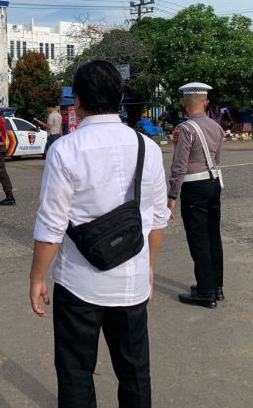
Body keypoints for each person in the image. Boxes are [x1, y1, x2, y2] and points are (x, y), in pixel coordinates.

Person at [30, 60, 169, 407]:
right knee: (135, 372)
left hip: (80, 284)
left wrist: (37, 277)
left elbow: (51, 226)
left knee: (77, 372)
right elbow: (156, 217)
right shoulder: (147, 147)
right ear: (120, 97)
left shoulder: (65, 149)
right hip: (132, 283)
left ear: (76, 100)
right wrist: (148, 267)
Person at [168, 82, 225, 309]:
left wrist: (172, 194)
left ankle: (205, 292)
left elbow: (179, 165)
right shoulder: (217, 127)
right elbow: (217, 158)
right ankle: (216, 286)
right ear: (206, 103)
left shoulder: (186, 129)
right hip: (214, 183)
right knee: (213, 236)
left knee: (198, 238)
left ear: (183, 103)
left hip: (194, 187)